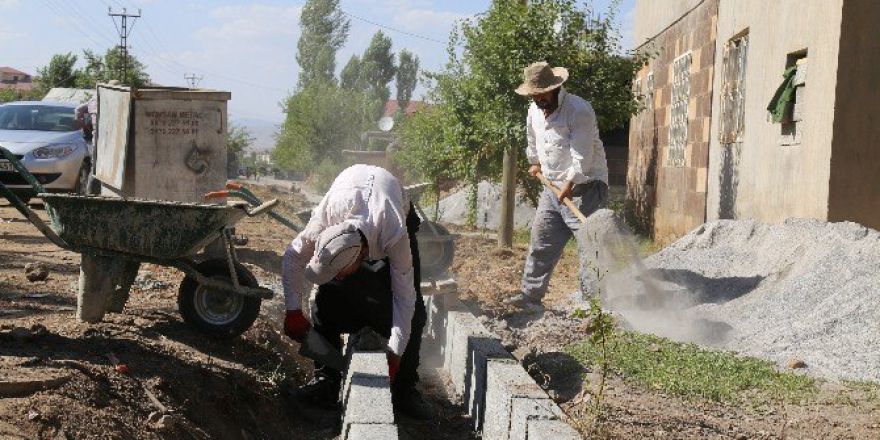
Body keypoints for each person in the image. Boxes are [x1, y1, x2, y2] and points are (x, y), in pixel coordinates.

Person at [281, 164, 430, 419]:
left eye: (341, 271)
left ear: (361, 256)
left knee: (414, 315)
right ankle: (326, 380)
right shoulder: (325, 221)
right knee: (326, 303)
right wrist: (293, 309)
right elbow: (293, 257)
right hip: (350, 196)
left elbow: (404, 298)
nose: (338, 276)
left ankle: (404, 389)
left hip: (395, 207)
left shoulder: (395, 234)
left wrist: (394, 354)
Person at [507, 61, 609, 312]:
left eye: (542, 94)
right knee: (541, 240)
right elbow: (533, 137)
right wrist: (534, 162)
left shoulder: (578, 111)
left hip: (585, 187)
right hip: (552, 187)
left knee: (590, 246)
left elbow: (583, 157)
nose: (538, 99)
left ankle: (593, 305)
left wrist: (569, 184)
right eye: (534, 95)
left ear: (555, 88)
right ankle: (530, 296)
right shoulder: (534, 110)